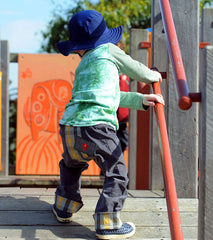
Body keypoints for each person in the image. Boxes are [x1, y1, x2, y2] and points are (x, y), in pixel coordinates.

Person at [53, 10, 164, 240]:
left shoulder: (84, 64)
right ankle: (108, 222)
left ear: (78, 48)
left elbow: (108, 95)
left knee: (71, 166)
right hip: (97, 128)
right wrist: (152, 77)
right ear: (105, 38)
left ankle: (64, 207)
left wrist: (140, 100)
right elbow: (134, 68)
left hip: (69, 127)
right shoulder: (109, 50)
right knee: (117, 172)